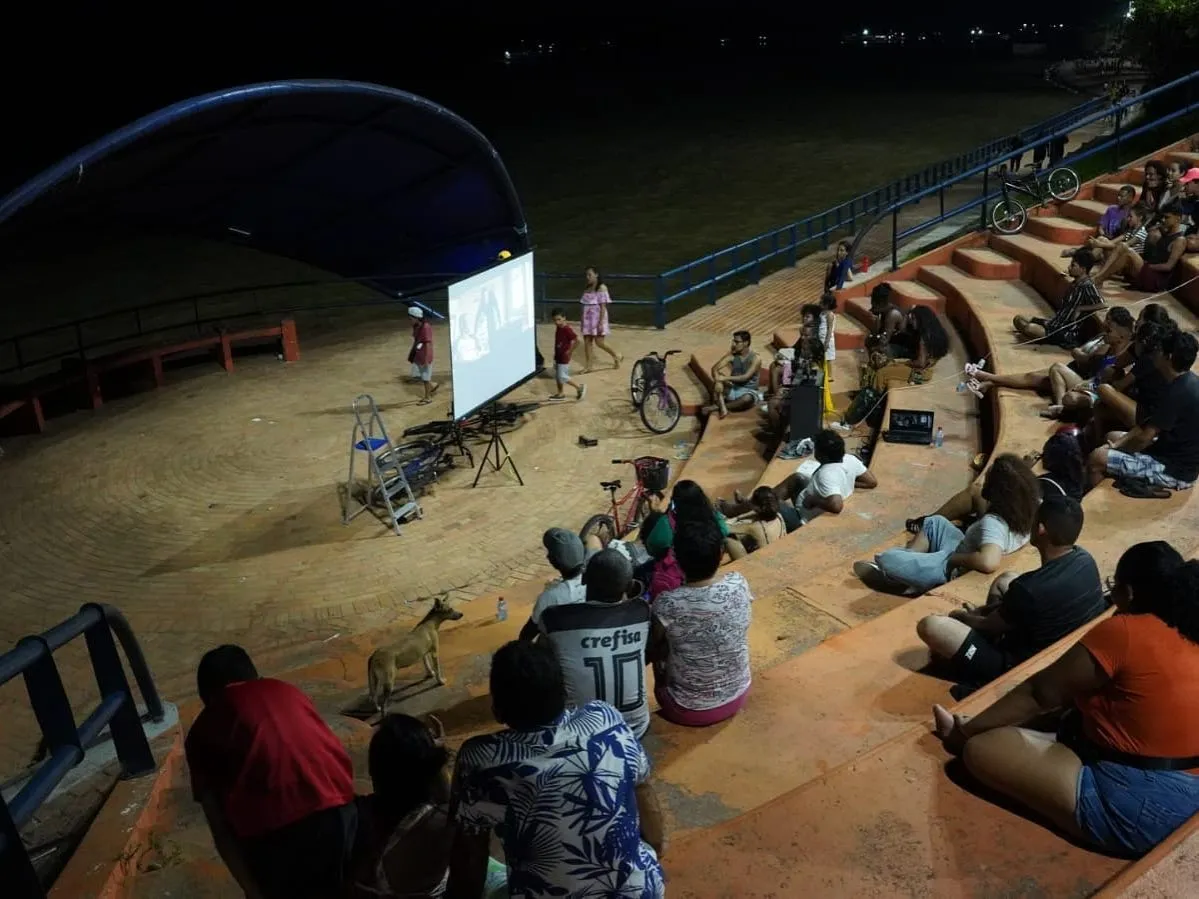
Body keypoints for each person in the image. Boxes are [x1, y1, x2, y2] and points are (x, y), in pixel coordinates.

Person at [933, 542, 1199, 859]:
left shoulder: (1125, 631)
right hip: (1188, 780)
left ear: (1128, 593)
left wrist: (965, 733)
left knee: (981, 750)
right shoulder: (1189, 627)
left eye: (1114, 587)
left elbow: (1039, 694)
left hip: (1145, 803)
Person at [447, 640, 665, 898]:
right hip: (641, 891)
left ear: (497, 710)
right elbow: (644, 793)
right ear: (564, 695)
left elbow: (469, 862)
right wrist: (654, 849)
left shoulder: (481, 760)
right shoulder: (605, 719)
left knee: (491, 877)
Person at [185, 645, 357, 899]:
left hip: (279, 837)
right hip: (343, 813)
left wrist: (253, 891)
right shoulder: (288, 691)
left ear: (208, 696)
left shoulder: (203, 729)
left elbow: (220, 828)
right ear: (254, 675)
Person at [914, 495, 1106, 692]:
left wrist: (962, 617)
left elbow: (988, 627)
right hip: (1063, 647)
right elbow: (1021, 605)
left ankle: (976, 664)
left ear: (1040, 530)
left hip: (1019, 670)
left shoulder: (1029, 589)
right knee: (1006, 580)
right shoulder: (1085, 559)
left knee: (931, 626)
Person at [350, 715, 507, 898]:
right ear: (431, 772)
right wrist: (438, 758)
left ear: (373, 769)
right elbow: (447, 800)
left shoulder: (355, 812)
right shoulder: (442, 824)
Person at [856, 453, 1039, 596]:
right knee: (934, 523)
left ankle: (909, 577)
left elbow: (988, 562)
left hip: (952, 567)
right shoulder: (1031, 505)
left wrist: (954, 559)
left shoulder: (994, 523)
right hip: (961, 546)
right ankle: (910, 571)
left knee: (888, 558)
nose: (984, 482)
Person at [650, 517, 756, 726]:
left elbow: (653, 645)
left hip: (687, 708)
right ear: (720, 555)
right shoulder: (738, 582)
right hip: (740, 692)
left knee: (662, 646)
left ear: (677, 560)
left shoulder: (668, 603)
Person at [540, 548, 653, 737]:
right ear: (628, 587)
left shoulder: (555, 619)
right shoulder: (642, 611)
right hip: (635, 729)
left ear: (584, 580)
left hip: (581, 736)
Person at [1087, 329, 1199, 494]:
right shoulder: (1187, 382)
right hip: (1169, 454)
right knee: (1112, 437)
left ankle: (1087, 500)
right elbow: (1146, 425)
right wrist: (1117, 445)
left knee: (1097, 458)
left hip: (1173, 471)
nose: (1156, 354)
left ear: (1168, 357)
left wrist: (1116, 451)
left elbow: (1144, 438)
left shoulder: (1176, 393)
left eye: (1160, 351)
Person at [1012, 248, 1104, 348]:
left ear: (1083, 269)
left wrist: (1080, 308)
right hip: (1055, 324)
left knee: (1029, 328)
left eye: (1073, 265)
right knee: (1018, 319)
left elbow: (1102, 304)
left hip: (1065, 332)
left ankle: (1040, 336)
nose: (1069, 267)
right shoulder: (1075, 284)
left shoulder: (1087, 285)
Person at [518, 528, 596, 641]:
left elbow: (526, 635)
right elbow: (594, 540)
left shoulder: (550, 597)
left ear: (551, 560)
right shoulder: (597, 578)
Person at [1091, 202, 1188, 292]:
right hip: (1148, 270)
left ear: (1178, 218)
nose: (1163, 220)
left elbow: (1168, 266)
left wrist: (1148, 266)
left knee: (1128, 252)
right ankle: (1099, 277)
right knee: (1123, 248)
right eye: (1163, 217)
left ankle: (1099, 278)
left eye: (1167, 217)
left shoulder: (1180, 240)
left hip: (1156, 279)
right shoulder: (1163, 233)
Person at [704, 330, 761, 419]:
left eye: (737, 342)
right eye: (733, 341)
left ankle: (717, 407)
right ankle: (723, 406)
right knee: (716, 382)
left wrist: (724, 378)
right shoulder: (732, 356)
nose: (734, 344)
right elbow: (714, 368)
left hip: (749, 391)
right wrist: (719, 380)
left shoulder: (756, 358)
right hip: (733, 388)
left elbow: (745, 377)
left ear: (746, 343)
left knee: (747, 399)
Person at [580, 266, 622, 372]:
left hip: (597, 318)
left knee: (599, 342)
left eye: (590, 274)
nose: (587, 277)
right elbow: (584, 305)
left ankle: (616, 355)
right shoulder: (587, 288)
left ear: (596, 274)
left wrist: (600, 322)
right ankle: (589, 365)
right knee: (587, 342)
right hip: (588, 319)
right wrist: (582, 320)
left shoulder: (602, 288)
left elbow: (603, 307)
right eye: (587, 275)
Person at [726, 485, 788, 555]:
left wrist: (735, 518)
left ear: (757, 507)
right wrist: (739, 517)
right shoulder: (779, 516)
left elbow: (725, 528)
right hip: (778, 551)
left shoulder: (753, 527)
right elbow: (757, 512)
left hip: (764, 560)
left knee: (728, 539)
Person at [548, 308, 585, 401]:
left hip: (564, 357)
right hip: (558, 356)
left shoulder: (567, 329)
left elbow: (578, 340)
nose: (557, 322)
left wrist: (570, 351)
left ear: (564, 318)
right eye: (555, 320)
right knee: (558, 376)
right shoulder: (559, 327)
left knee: (562, 376)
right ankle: (560, 393)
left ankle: (579, 387)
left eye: (559, 319)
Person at [408, 307, 439, 404]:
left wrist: (426, 360)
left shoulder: (425, 327)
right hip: (419, 354)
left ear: (416, 317)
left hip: (424, 355)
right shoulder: (417, 326)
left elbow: (428, 344)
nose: (410, 320)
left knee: (425, 377)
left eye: (411, 318)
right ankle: (433, 385)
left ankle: (428, 398)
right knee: (420, 375)